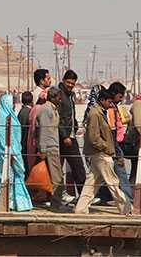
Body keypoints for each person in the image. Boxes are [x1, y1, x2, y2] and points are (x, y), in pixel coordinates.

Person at [75, 89, 130, 214]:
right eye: (109, 102)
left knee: (91, 184)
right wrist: (106, 147)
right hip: (101, 154)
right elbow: (94, 137)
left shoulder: (99, 112)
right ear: (102, 100)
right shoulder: (95, 113)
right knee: (113, 182)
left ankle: (80, 209)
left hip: (99, 153)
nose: (111, 104)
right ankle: (126, 208)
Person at [0, 93, 33, 212]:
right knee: (5, 177)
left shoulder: (11, 116)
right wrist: (8, 154)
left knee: (14, 177)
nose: (14, 105)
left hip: (14, 152)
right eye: (12, 103)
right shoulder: (2, 118)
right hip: (5, 155)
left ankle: (16, 203)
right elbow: (2, 139)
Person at [58, 70, 86, 202]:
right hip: (64, 137)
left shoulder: (69, 95)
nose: (70, 85)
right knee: (76, 166)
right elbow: (58, 118)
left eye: (72, 83)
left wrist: (75, 128)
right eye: (68, 82)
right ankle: (83, 196)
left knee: (77, 167)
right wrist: (65, 136)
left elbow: (71, 116)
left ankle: (83, 195)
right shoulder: (60, 95)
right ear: (64, 80)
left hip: (71, 134)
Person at [35, 87, 64, 211]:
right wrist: (42, 149)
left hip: (53, 145)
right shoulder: (46, 110)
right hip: (50, 147)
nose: (60, 99)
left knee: (56, 177)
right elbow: (44, 130)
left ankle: (55, 203)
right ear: (53, 97)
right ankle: (55, 205)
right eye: (58, 97)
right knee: (57, 178)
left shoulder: (52, 109)